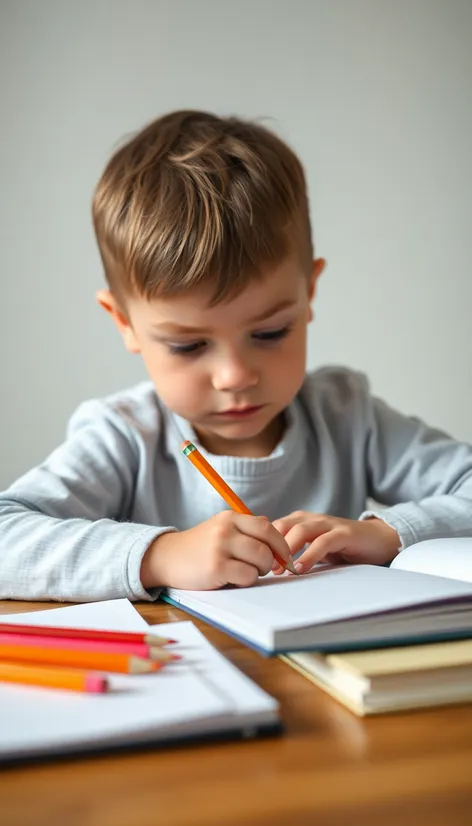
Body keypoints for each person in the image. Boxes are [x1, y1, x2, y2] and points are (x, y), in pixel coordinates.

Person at [1, 110, 472, 602]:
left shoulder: (346, 416)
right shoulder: (125, 437)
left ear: (309, 292)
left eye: (270, 332)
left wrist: (390, 532)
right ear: (124, 322)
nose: (235, 375)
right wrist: (161, 554)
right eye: (188, 345)